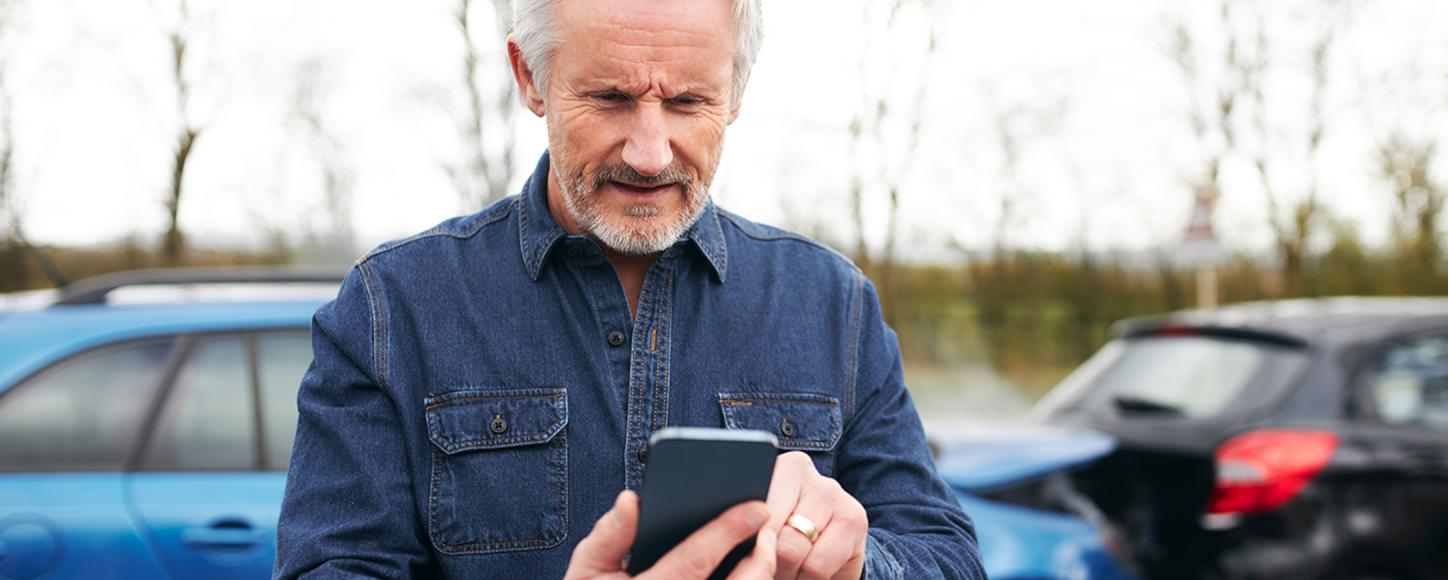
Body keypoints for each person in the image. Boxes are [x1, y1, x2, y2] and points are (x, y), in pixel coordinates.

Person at [273, 0, 982, 578]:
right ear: (530, 76)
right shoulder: (390, 310)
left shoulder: (833, 304)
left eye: (688, 102)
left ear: (734, 91)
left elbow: (948, 559)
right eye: (610, 97)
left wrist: (858, 562)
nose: (649, 152)